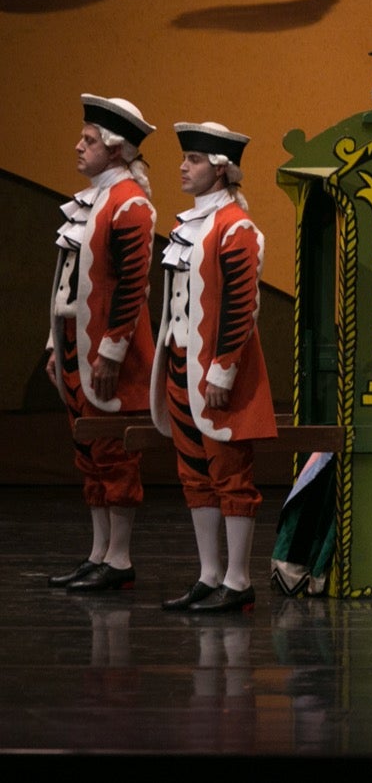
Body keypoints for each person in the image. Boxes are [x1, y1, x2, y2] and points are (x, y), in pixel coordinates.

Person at [151, 122, 277, 612]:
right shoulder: (190, 225)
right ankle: (208, 575)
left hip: (217, 369)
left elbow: (241, 306)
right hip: (181, 361)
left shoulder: (236, 228)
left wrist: (222, 370)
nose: (184, 166)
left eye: (196, 159)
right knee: (194, 472)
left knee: (230, 472)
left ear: (221, 170)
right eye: (186, 158)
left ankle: (238, 580)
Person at [44, 95, 157, 593]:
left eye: (89, 140)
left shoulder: (130, 203)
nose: (79, 146)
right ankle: (98, 553)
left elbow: (134, 286)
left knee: (113, 451)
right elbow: (67, 279)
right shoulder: (93, 199)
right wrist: (53, 343)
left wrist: (111, 351)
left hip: (112, 349)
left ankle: (119, 558)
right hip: (73, 339)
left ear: (114, 149)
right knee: (87, 449)